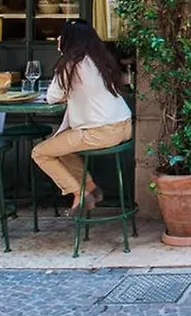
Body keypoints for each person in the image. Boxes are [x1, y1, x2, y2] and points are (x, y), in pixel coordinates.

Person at [31, 20, 132, 216]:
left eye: (62, 35)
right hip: (124, 126)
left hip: (100, 132)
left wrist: (62, 56)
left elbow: (52, 97)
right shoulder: (100, 60)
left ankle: (79, 193)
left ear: (69, 40)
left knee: (40, 153)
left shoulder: (71, 64)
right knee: (60, 146)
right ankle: (91, 187)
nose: (58, 38)